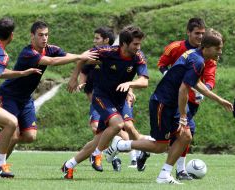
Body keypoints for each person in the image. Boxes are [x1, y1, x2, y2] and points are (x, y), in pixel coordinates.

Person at [105, 29, 233, 184]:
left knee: (186, 136)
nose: (220, 52)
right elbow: (183, 90)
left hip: (171, 104)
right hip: (163, 103)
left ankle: (164, 175)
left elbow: (196, 83)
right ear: (206, 47)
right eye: (217, 48)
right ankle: (121, 144)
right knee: (160, 146)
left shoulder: (196, 55)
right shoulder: (198, 61)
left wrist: (219, 100)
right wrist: (183, 116)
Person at [0, 21, 97, 160]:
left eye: (46, 35)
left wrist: (97, 59)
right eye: (40, 35)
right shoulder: (28, 53)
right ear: (32, 36)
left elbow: (69, 57)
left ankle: (3, 137)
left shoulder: (50, 48)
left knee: (30, 136)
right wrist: (80, 56)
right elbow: (52, 61)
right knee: (13, 135)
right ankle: (0, 167)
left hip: (25, 98)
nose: (44, 38)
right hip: (9, 96)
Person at [61, 25, 149, 179]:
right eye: (135, 44)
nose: (138, 47)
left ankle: (69, 165)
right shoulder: (107, 52)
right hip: (102, 97)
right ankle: (96, 155)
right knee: (118, 125)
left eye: (139, 44)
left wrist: (130, 84)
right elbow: (82, 58)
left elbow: (144, 81)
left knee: (99, 138)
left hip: (120, 100)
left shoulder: (138, 56)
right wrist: (74, 78)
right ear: (124, 44)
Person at [155, 17, 217, 180]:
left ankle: (178, 169)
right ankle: (175, 169)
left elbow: (210, 77)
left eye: (203, 33)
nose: (200, 37)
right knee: (181, 134)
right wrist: (168, 75)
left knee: (183, 134)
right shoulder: (176, 47)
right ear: (188, 32)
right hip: (174, 97)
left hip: (192, 99)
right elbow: (162, 64)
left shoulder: (208, 53)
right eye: (197, 33)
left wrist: (205, 90)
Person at [0, 17, 41, 178]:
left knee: (18, 128)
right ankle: (0, 166)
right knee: (12, 122)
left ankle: (0, 166)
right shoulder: (1, 54)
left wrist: (21, 73)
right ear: (12, 35)